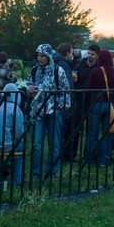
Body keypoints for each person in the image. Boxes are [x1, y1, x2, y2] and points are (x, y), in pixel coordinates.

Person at [26, 44, 71, 181]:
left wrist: (59, 107)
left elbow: (66, 90)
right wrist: (29, 89)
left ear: (48, 57)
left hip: (54, 111)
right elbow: (28, 85)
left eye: (42, 56)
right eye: (38, 56)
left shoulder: (58, 70)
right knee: (37, 145)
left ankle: (51, 173)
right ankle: (36, 174)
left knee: (55, 145)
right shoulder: (34, 70)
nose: (40, 59)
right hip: (37, 111)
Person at [84, 49, 114, 168]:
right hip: (111, 105)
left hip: (97, 104)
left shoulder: (95, 71)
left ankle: (90, 160)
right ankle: (103, 161)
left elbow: (89, 87)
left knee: (92, 134)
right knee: (107, 134)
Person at [62, 43, 100, 163]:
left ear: (97, 56)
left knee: (91, 130)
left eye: (92, 54)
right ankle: (71, 154)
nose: (90, 56)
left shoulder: (98, 69)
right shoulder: (79, 65)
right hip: (78, 100)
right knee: (75, 128)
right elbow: (73, 81)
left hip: (92, 101)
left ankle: (88, 155)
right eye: (88, 53)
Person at [0, 83, 25, 185]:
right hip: (5, 146)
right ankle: (17, 179)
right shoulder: (15, 109)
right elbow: (19, 133)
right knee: (21, 144)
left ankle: (0, 170)